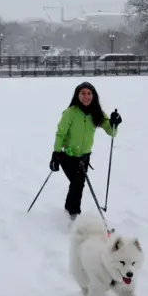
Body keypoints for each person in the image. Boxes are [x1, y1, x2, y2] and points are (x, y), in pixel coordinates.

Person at [49, 81, 122, 220]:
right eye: (83, 93)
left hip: (84, 157)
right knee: (78, 183)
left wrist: (114, 123)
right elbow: (60, 134)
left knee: (77, 183)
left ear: (93, 96)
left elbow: (111, 132)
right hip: (67, 155)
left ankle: (68, 209)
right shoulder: (70, 113)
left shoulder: (97, 113)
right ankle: (74, 214)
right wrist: (55, 154)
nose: (86, 96)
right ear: (77, 95)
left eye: (89, 93)